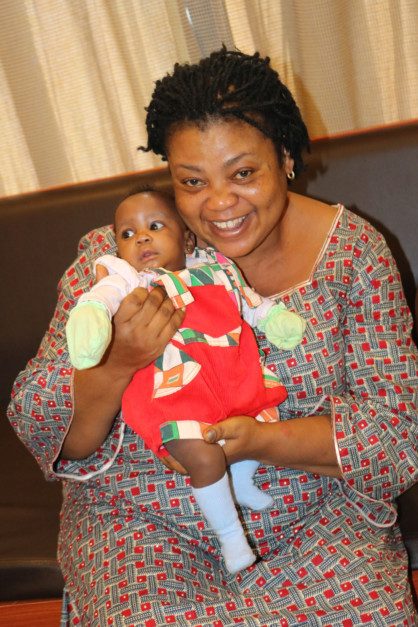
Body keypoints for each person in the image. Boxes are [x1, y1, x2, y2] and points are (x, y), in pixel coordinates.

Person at [8, 47, 418, 626]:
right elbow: (46, 431)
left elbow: (396, 440)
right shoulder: (121, 260)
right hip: (144, 523)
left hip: (319, 522)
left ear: (285, 157)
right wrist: (118, 362)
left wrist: (256, 441)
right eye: (192, 182)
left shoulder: (354, 257)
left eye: (243, 173)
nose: (220, 204)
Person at [65, 187, 304, 573]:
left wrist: (274, 319)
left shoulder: (216, 270)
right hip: (172, 393)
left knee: (259, 420)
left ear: (187, 239)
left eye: (155, 226)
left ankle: (241, 483)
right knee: (204, 456)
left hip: (231, 378)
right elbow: (101, 296)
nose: (142, 238)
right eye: (128, 234)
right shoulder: (130, 278)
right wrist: (91, 314)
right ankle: (231, 537)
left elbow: (248, 301)